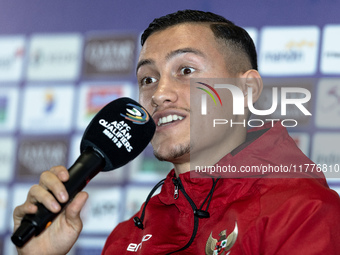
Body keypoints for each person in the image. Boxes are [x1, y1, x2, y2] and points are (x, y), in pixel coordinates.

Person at [13, 10, 340, 255]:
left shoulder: (305, 214)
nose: (159, 94)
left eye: (185, 70)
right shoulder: (127, 236)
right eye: (148, 79)